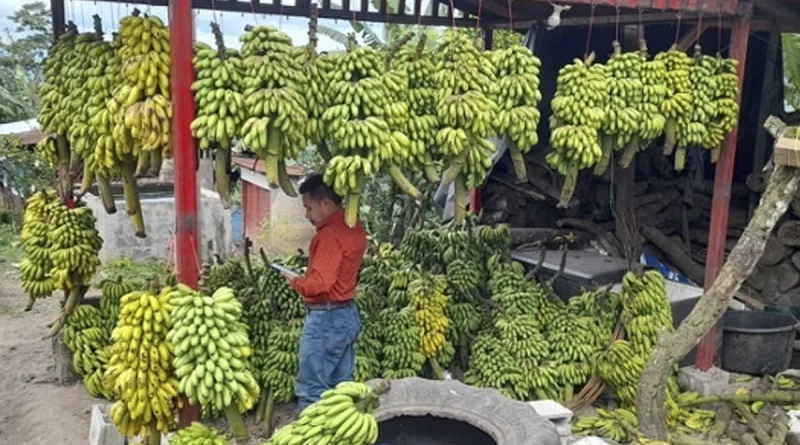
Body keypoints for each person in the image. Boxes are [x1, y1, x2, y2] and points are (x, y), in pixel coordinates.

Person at [281, 173, 367, 409]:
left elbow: (319, 284)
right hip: (347, 314)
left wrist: (296, 281)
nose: (307, 215)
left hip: (326, 319)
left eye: (308, 208)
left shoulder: (330, 235)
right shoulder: (354, 227)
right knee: (343, 388)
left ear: (326, 204)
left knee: (311, 391)